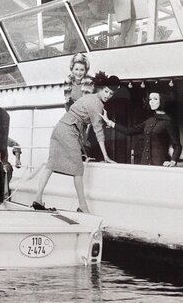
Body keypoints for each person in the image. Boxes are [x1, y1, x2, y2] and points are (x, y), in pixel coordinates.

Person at [32, 72, 120, 213]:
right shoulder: (97, 104)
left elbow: (81, 125)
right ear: (100, 88)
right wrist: (106, 157)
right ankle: (82, 206)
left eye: (111, 93)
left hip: (60, 127)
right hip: (68, 130)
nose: (107, 95)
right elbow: (99, 132)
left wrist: (83, 149)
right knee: (78, 169)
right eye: (106, 91)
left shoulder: (89, 97)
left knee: (51, 163)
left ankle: (37, 198)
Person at [101, 92, 182, 166]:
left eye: (155, 99)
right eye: (150, 99)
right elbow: (129, 131)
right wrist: (109, 122)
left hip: (160, 164)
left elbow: (177, 145)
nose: (151, 101)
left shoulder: (168, 121)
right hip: (145, 164)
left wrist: (173, 161)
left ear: (162, 101)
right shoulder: (150, 120)